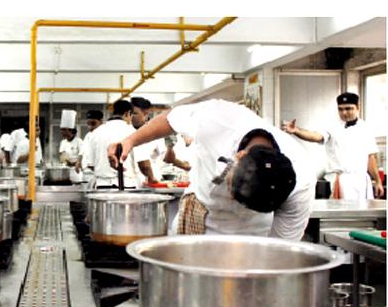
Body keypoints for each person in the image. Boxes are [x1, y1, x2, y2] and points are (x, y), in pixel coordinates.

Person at [109, 99, 315, 240]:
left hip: (254, 234)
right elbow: (171, 119)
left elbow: (281, 251)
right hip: (201, 211)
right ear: (239, 156)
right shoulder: (221, 118)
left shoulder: (302, 181)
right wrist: (130, 141)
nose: (232, 198)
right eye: (232, 189)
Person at [281, 93, 384, 200]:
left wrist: (378, 181)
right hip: (342, 180)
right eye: (340, 109)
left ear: (358, 107)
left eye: (348, 108)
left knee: (365, 215)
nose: (344, 113)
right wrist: (296, 130)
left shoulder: (365, 127)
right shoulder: (331, 126)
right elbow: (316, 136)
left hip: (362, 181)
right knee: (343, 215)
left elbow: (370, 157)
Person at [85, 100, 150, 188]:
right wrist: (152, 178)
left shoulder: (95, 133)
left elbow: (91, 165)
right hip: (127, 186)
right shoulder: (134, 133)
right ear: (128, 113)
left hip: (102, 186)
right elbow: (144, 165)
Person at [130, 97, 162, 185]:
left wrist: (152, 176)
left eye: (135, 113)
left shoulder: (156, 132)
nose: (131, 117)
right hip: (132, 181)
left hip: (152, 181)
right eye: (130, 113)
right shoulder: (126, 131)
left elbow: (162, 157)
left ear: (146, 113)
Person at [76, 110, 103, 186]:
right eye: (88, 124)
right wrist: (78, 162)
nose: (90, 127)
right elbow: (82, 151)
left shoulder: (103, 135)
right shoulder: (88, 135)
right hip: (85, 173)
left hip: (97, 174)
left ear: (101, 121)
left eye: (93, 124)